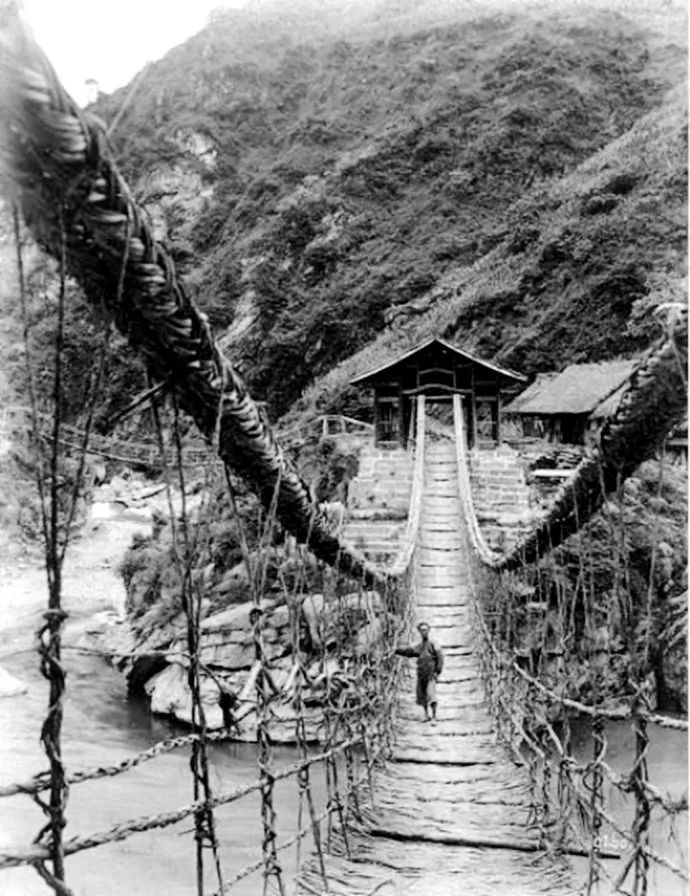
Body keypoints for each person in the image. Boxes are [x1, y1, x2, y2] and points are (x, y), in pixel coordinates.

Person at [395, 622, 444, 723]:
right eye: (422, 630)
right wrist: (397, 651)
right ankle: (426, 715)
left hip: (430, 673)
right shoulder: (420, 645)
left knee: (431, 695)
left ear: (428, 630)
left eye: (425, 630)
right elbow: (410, 652)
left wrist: (437, 671)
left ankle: (434, 716)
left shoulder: (433, 644)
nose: (424, 632)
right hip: (421, 673)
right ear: (419, 632)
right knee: (422, 695)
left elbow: (440, 658)